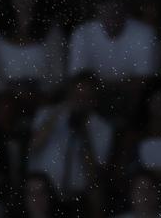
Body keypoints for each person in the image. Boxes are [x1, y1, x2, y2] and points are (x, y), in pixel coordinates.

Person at [0, 0, 66, 134]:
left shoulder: (52, 31)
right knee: (4, 109)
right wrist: (12, 91)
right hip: (8, 96)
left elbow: (59, 74)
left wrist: (35, 92)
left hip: (43, 95)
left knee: (48, 111)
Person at [28, 73, 113, 214]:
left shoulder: (103, 128)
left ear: (94, 100)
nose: (80, 101)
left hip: (77, 197)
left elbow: (94, 176)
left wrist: (84, 133)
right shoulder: (46, 114)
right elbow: (33, 145)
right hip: (43, 194)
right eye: (76, 96)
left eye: (86, 98)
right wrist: (57, 114)